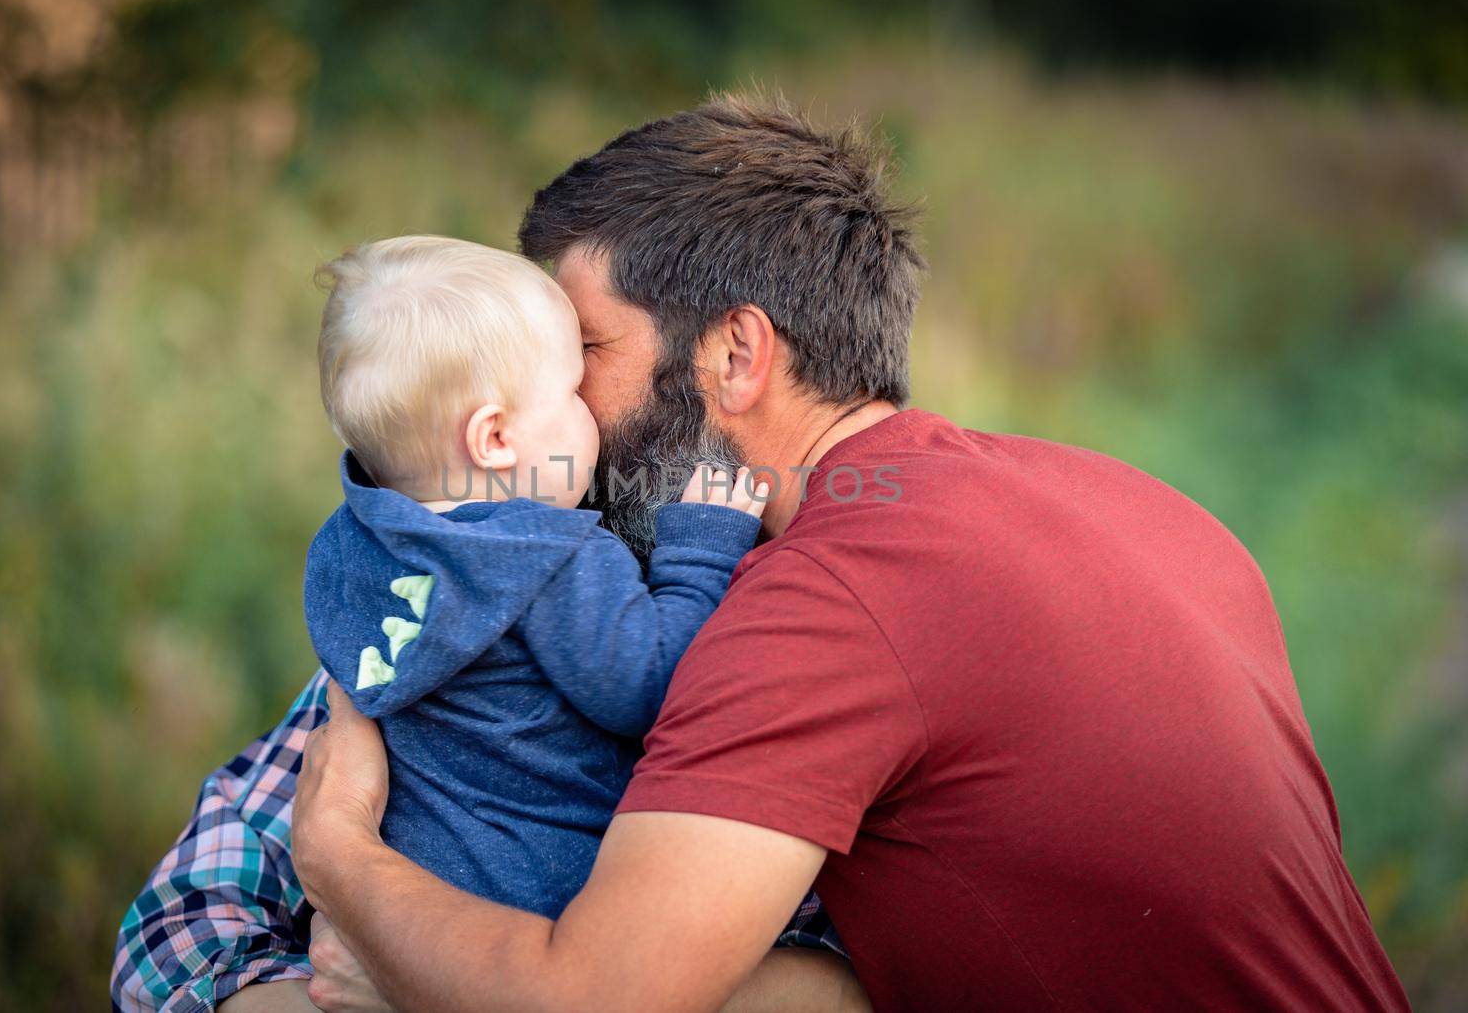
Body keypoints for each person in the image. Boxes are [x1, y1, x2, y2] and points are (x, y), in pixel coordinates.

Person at [116, 94, 1409, 1012]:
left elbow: (591, 997)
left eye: (583, 355)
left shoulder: (815, 608)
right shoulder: (1129, 499)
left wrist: (343, 859)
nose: (546, 407)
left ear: (735, 355)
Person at [305, 234, 772, 919]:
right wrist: (702, 549)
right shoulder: (547, 559)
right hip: (541, 895)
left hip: (411, 884)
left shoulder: (350, 550)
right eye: (570, 392)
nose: (590, 411)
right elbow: (652, 684)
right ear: (494, 438)